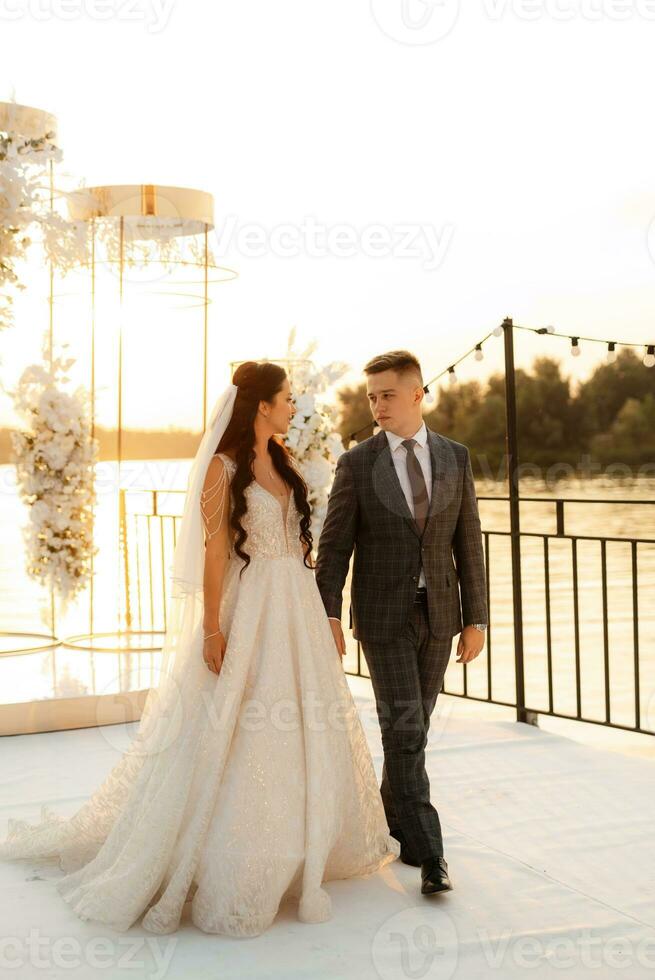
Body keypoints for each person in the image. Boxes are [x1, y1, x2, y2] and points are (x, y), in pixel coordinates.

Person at [0, 361, 399, 937]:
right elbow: (215, 554)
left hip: (297, 607)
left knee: (303, 726)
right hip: (253, 604)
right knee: (239, 726)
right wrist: (213, 628)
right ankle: (230, 856)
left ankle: (304, 841)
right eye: (286, 398)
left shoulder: (282, 460)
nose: (293, 406)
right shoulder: (222, 467)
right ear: (261, 405)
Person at [315, 349, 488, 896]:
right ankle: (433, 855)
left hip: (440, 616)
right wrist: (328, 614)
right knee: (404, 731)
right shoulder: (357, 463)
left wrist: (476, 618)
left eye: (387, 394)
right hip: (384, 620)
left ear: (417, 393)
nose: (377, 405)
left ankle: (396, 827)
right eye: (371, 396)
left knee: (412, 734)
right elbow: (335, 545)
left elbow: (469, 543)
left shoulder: (455, 457)